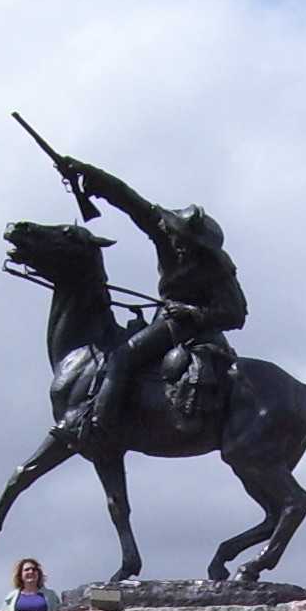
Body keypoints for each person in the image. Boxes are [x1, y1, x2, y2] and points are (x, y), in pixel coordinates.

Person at [56, 155, 248, 448]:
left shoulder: (217, 268)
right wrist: (87, 172)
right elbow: (128, 199)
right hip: (166, 318)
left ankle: (96, 426)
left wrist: (191, 312)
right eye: (178, 236)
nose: (179, 243)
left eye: (187, 241)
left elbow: (236, 314)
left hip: (189, 326)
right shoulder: (164, 233)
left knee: (121, 356)